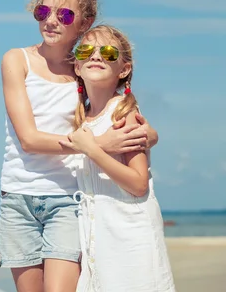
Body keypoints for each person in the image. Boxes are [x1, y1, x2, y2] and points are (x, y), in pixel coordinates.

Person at [0, 0, 159, 292]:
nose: (51, 21)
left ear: (84, 23)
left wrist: (149, 134)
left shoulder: (84, 67)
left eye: (65, 15)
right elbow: (29, 139)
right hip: (16, 197)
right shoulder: (17, 60)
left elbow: (119, 106)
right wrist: (99, 145)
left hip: (69, 197)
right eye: (43, 12)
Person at [59, 25, 175, 291]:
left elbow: (138, 184)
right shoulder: (79, 119)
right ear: (77, 66)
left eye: (109, 52)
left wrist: (93, 150)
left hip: (130, 235)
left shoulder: (125, 115)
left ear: (124, 70)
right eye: (86, 50)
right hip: (98, 237)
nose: (96, 56)